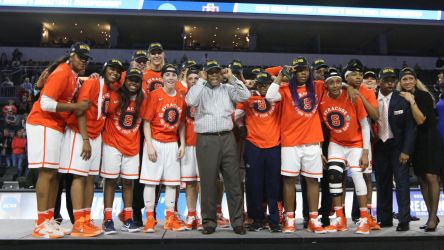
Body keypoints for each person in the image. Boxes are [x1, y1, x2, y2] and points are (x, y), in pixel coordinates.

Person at [26, 42, 91, 238]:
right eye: (81, 57)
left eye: (86, 59)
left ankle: (48, 219)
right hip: (43, 123)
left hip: (53, 126)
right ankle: (40, 223)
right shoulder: (62, 72)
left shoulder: (73, 75)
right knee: (46, 174)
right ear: (71, 56)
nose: (84, 61)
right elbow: (45, 103)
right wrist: (76, 107)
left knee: (54, 175)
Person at [59, 59, 124, 237]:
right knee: (79, 177)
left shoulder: (111, 90)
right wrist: (86, 139)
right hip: (81, 134)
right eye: (112, 69)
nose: (115, 73)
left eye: (118, 71)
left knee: (89, 179)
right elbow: (80, 110)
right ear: (104, 69)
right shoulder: (93, 82)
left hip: (96, 136)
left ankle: (86, 219)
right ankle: (78, 222)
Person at [186, 60, 250, 235]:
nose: (214, 75)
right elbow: (190, 101)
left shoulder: (228, 89)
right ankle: (208, 222)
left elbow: (245, 96)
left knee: (234, 182)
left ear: (221, 74)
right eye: (211, 72)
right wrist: (200, 80)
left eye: (217, 72)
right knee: (207, 183)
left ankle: (237, 222)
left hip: (228, 138)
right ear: (206, 74)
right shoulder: (200, 90)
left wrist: (232, 78)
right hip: (206, 140)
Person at [265, 57, 326, 234]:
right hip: (290, 143)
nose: (303, 73)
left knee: (313, 181)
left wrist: (348, 88)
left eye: (305, 69)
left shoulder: (317, 86)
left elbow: (336, 83)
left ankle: (313, 219)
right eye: (299, 70)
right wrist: (283, 71)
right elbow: (269, 95)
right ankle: (289, 219)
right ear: (293, 72)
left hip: (312, 142)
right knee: (289, 181)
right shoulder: (284, 89)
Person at [319, 68, 371, 234]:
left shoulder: (352, 96)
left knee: (357, 175)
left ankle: (364, 219)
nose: (334, 85)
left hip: (356, 143)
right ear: (326, 85)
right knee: (334, 175)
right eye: (331, 83)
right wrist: (320, 149)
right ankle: (340, 219)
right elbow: (317, 127)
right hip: (336, 143)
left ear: (340, 83)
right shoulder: (322, 101)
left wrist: (365, 152)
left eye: (337, 82)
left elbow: (365, 125)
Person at [100, 68, 149, 235]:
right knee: (111, 181)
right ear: (124, 80)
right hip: (112, 143)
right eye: (130, 80)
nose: (133, 83)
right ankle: (107, 219)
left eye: (136, 80)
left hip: (132, 144)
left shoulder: (144, 99)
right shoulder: (114, 94)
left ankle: (127, 218)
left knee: (129, 183)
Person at [140, 64, 186, 233]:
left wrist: (182, 143)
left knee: (172, 184)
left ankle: (169, 218)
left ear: (177, 77)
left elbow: (181, 124)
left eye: (174, 75)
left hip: (172, 143)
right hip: (156, 142)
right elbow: (146, 122)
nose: (171, 77)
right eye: (167, 74)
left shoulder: (181, 97)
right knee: (151, 183)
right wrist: (150, 145)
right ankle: (150, 219)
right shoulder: (154, 95)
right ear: (162, 78)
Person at [397, 67, 444, 232]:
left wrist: (412, 101)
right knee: (422, 179)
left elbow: (421, 120)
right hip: (415, 142)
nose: (408, 81)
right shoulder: (400, 97)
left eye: (411, 78)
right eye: (404, 79)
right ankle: (433, 216)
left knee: (431, 177)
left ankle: (432, 217)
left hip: (429, 139)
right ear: (400, 82)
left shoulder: (422, 96)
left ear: (416, 80)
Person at [235, 72, 282, 233]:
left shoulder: (278, 98)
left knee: (273, 185)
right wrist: (241, 125)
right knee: (253, 184)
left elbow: (282, 74)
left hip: (274, 145)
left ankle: (275, 220)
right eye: (260, 84)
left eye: (267, 84)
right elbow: (236, 116)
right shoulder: (248, 99)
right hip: (253, 145)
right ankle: (256, 219)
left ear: (271, 84)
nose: (263, 87)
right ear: (256, 86)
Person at [373, 67, 416, 231]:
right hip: (379, 146)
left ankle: (404, 220)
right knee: (382, 183)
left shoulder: (402, 99)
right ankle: (384, 219)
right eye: (386, 80)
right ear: (379, 82)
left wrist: (406, 151)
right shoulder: (372, 98)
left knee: (402, 183)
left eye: (392, 80)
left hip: (398, 147)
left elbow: (411, 128)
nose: (390, 84)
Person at [345, 59, 380, 230]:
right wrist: (349, 88)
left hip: (363, 139)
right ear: (347, 76)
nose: (358, 77)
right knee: (341, 177)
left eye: (360, 74)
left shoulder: (367, 92)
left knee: (366, 176)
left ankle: (367, 215)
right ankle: (341, 215)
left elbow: (375, 116)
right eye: (354, 74)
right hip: (342, 140)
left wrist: (360, 97)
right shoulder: (340, 87)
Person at [180, 68, 204, 230]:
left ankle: (203, 216)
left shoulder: (207, 97)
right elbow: (181, 123)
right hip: (188, 146)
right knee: (190, 183)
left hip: (204, 145)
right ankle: (191, 215)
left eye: (197, 78)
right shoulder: (182, 98)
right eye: (191, 78)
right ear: (186, 81)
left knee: (204, 183)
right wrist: (182, 143)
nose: (194, 81)